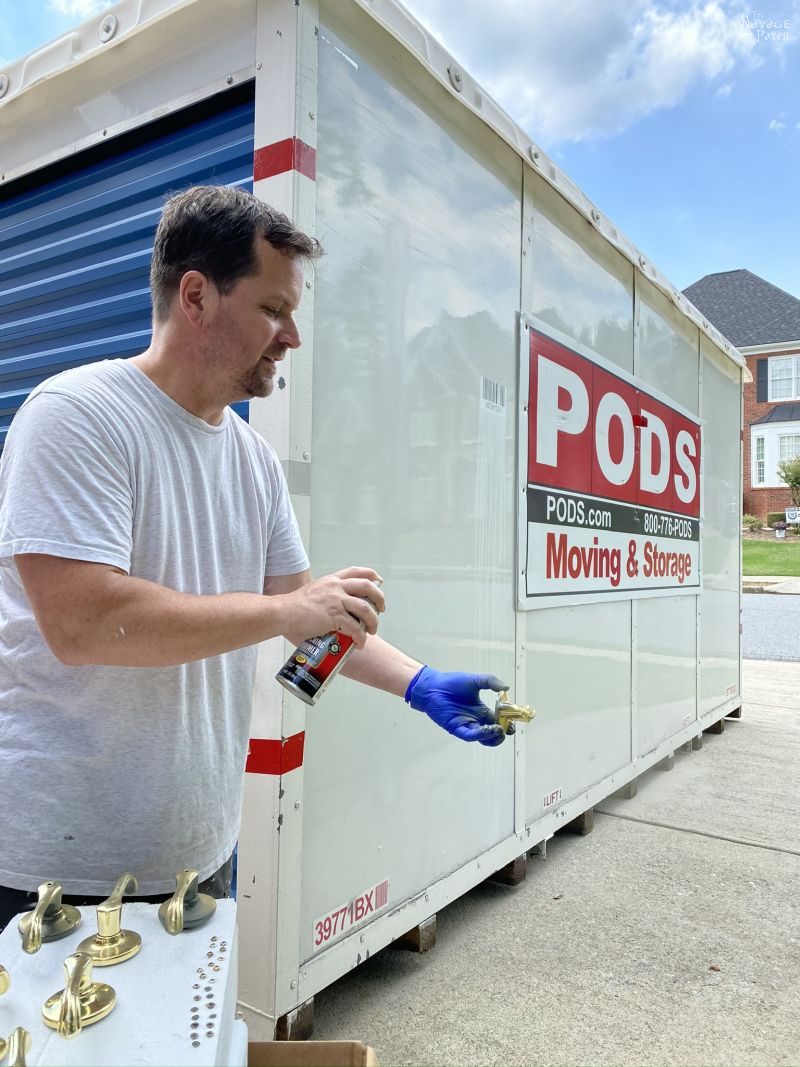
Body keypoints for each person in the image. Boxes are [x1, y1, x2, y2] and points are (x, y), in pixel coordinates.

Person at [0, 185, 507, 931]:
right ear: (197, 296)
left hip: (199, 858)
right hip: (58, 875)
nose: (292, 336)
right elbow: (82, 623)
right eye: (273, 309)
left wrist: (416, 681)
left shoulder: (252, 462)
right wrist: (284, 611)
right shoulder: (77, 416)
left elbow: (307, 617)